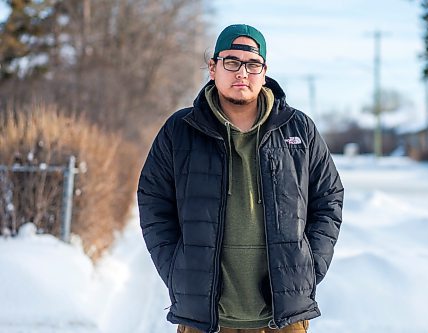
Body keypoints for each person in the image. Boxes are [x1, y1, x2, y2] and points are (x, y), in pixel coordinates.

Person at [137, 24, 344, 333]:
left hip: (283, 318)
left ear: (264, 71)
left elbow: (329, 198)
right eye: (231, 62)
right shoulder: (180, 129)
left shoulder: (298, 129)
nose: (242, 73)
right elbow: (153, 200)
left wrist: (309, 268)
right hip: (204, 319)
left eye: (252, 64)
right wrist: (177, 269)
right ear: (213, 67)